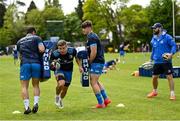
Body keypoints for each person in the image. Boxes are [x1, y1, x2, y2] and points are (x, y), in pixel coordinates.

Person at [81, 20, 111, 108]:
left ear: (88, 27)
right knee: (96, 81)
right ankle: (106, 99)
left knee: (93, 82)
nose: (83, 30)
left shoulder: (92, 37)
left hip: (96, 61)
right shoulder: (93, 36)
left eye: (84, 28)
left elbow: (94, 52)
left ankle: (101, 103)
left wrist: (89, 62)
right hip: (99, 61)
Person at [17, 27, 45, 114]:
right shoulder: (37, 38)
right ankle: (36, 103)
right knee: (36, 85)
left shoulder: (19, 41)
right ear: (33, 32)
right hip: (36, 63)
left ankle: (26, 107)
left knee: (24, 86)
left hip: (25, 64)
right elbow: (42, 49)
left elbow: (19, 55)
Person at [147, 23, 176, 100]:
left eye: (155, 28)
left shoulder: (167, 37)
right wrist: (151, 59)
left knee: (169, 77)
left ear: (159, 28)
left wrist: (171, 54)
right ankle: (154, 91)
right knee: (154, 77)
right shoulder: (153, 38)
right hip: (157, 62)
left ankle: (172, 93)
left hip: (166, 61)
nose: (153, 30)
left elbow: (174, 45)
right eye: (153, 28)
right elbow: (153, 49)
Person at [50, 40, 81, 109]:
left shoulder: (72, 51)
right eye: (60, 48)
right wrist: (53, 65)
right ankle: (57, 96)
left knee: (65, 88)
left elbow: (77, 58)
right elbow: (51, 65)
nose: (62, 50)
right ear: (57, 48)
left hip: (69, 71)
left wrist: (80, 66)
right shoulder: (55, 54)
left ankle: (61, 99)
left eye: (63, 48)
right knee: (61, 83)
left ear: (67, 46)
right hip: (59, 70)